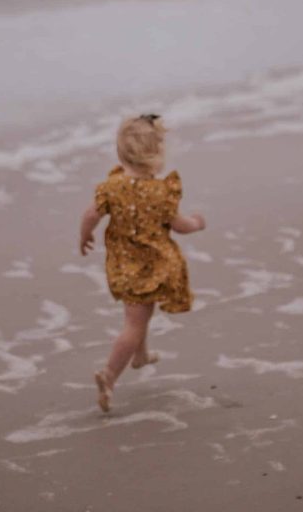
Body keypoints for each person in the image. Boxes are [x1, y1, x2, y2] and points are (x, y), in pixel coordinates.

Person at [79, 113, 206, 412]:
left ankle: (141, 356)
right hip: (152, 267)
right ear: (156, 154)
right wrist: (198, 223)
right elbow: (179, 226)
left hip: (123, 265)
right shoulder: (161, 192)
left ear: (121, 152)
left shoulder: (111, 187)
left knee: (139, 315)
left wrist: (84, 236)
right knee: (134, 325)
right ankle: (109, 375)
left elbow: (90, 216)